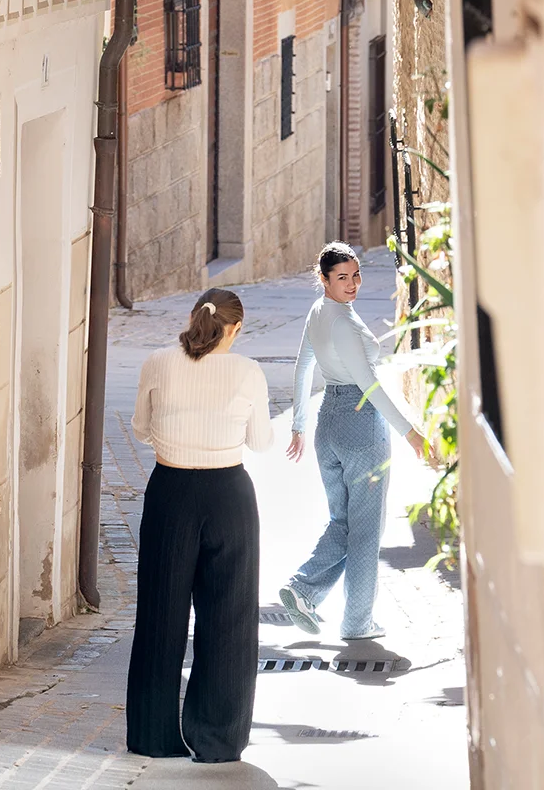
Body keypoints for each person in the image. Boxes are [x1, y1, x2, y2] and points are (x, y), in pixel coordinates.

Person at [126, 287, 273, 764]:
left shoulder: (158, 362)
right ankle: (218, 739)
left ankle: (152, 735)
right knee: (229, 617)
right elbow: (261, 441)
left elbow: (141, 428)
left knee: (159, 615)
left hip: (170, 492)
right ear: (234, 329)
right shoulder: (248, 371)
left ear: (195, 320)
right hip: (228, 495)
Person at [279, 242, 426, 641]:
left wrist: (300, 424)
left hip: (328, 425)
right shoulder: (341, 322)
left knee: (344, 522)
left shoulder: (319, 313)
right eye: (342, 277)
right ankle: (357, 621)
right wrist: (410, 431)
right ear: (324, 279)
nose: (353, 284)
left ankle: (302, 589)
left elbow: (304, 366)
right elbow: (369, 385)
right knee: (365, 530)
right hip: (361, 428)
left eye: (356, 275)